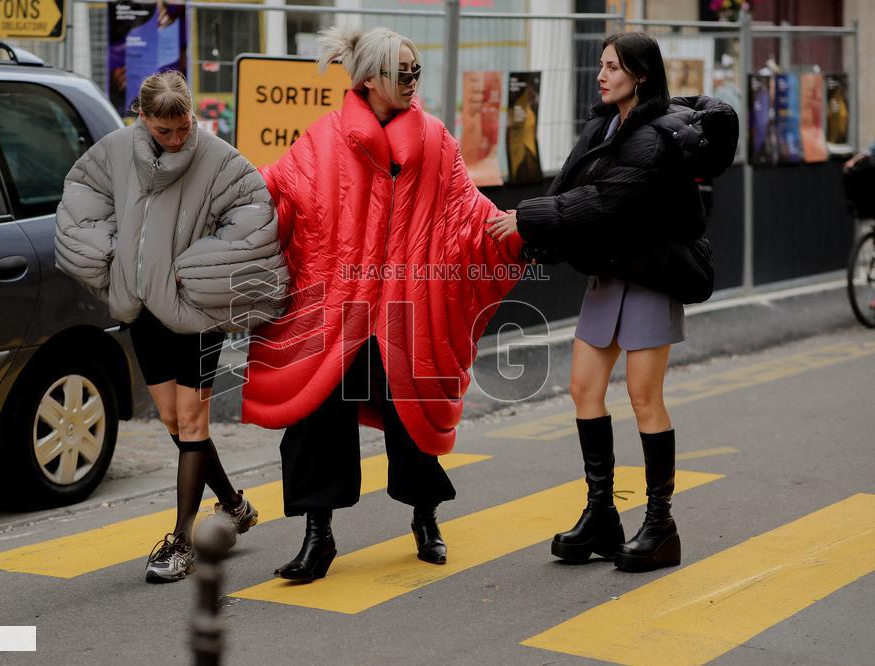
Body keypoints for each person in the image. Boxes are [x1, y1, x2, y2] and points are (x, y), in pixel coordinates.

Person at [241, 27, 524, 582]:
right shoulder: (322, 140)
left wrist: (518, 230)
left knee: (412, 416)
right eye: (402, 72)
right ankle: (317, 535)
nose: (412, 80)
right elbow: (274, 194)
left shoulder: (437, 141)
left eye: (416, 70)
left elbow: (468, 214)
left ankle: (425, 516)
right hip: (334, 308)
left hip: (410, 310)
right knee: (317, 420)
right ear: (369, 79)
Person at [487, 32, 737, 572]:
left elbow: (605, 200)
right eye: (600, 65)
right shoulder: (603, 125)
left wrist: (527, 217)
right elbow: (568, 186)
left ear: (641, 74)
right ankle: (601, 513)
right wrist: (534, 231)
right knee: (584, 389)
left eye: (613, 67)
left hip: (649, 275)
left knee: (644, 398)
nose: (601, 76)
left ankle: (660, 525)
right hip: (610, 272)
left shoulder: (653, 138)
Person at [55, 71, 288, 583]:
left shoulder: (219, 159)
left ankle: (181, 541)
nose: (178, 138)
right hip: (143, 309)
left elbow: (254, 214)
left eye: (184, 127)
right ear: (143, 118)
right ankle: (234, 505)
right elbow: (82, 195)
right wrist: (110, 254)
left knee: (192, 422)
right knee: (174, 423)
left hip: (197, 310)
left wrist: (199, 269)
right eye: (165, 131)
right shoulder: (115, 152)